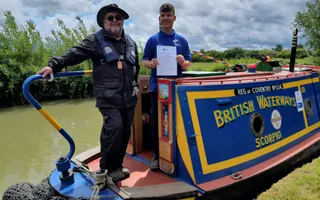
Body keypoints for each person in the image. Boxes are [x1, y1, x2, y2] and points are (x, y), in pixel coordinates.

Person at [36, 4, 140, 182]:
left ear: (123, 21)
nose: (115, 20)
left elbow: (135, 67)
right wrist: (53, 65)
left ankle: (117, 166)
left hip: (129, 96)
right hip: (108, 97)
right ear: (103, 22)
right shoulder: (95, 40)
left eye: (118, 17)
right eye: (110, 17)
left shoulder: (130, 41)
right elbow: (75, 53)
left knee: (124, 132)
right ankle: (105, 169)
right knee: (114, 127)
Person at [142, 3, 192, 170]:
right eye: (163, 16)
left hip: (177, 88)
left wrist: (182, 61)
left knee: (177, 122)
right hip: (158, 89)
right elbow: (144, 62)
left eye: (169, 15)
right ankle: (157, 155)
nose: (166, 18)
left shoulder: (182, 40)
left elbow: (188, 64)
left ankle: (178, 153)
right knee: (157, 123)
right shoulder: (152, 40)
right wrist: (152, 63)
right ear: (159, 18)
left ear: (174, 18)